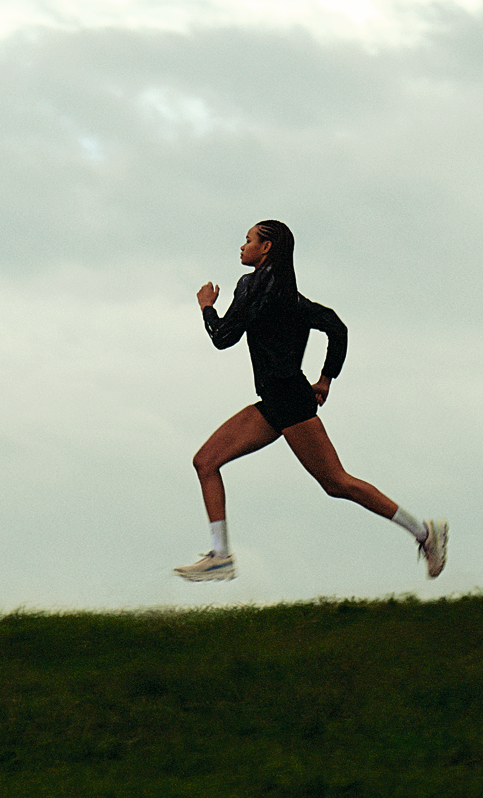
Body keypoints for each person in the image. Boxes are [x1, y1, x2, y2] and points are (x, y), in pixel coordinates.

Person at [174, 220, 447, 582]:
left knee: (337, 482)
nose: (242, 246)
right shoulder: (291, 296)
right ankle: (221, 556)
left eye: (249, 240)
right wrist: (325, 380)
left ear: (266, 248)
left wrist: (207, 307)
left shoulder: (251, 286)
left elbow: (223, 337)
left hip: (289, 401)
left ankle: (426, 533)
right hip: (276, 401)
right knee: (206, 461)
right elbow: (336, 327)